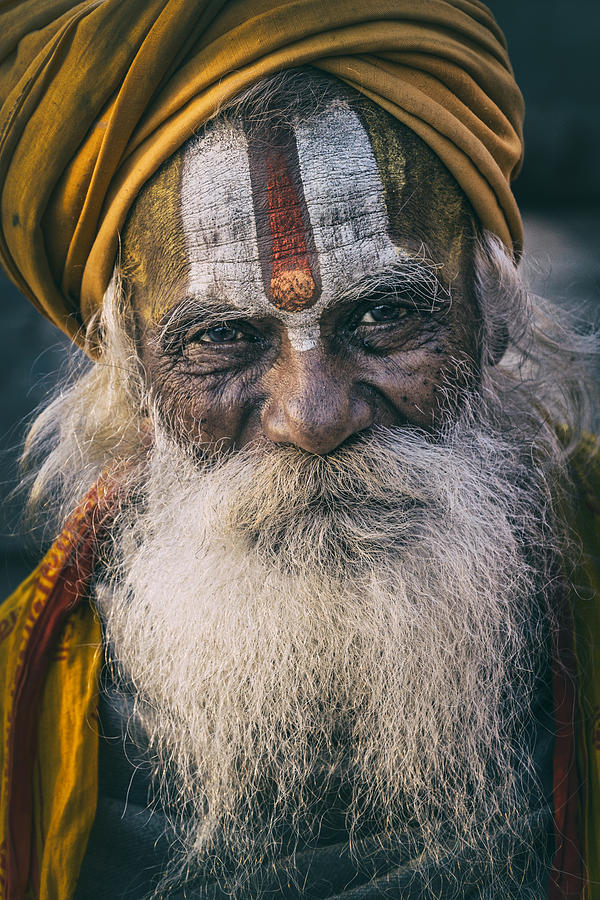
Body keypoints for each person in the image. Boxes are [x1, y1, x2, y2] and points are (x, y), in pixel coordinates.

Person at [0, 2, 598, 898]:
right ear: (125, 359)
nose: (313, 417)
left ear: (493, 309)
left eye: (387, 314)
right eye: (223, 337)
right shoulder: (26, 707)